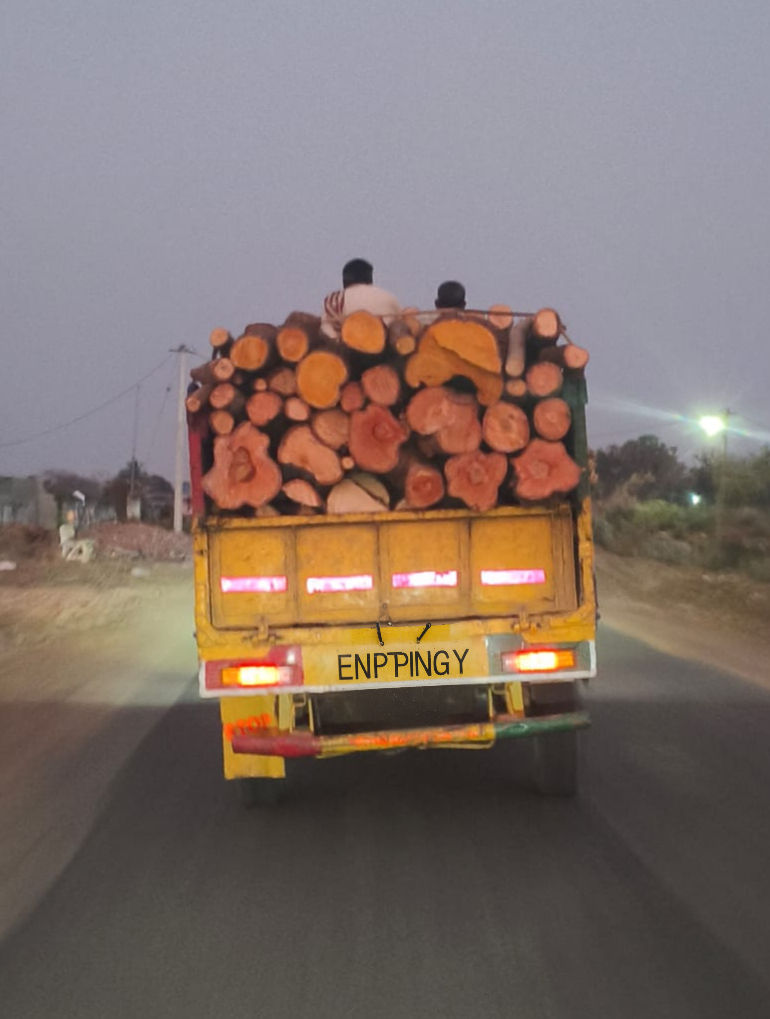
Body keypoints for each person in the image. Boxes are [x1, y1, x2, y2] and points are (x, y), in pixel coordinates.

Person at [321, 258, 401, 339]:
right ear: (370, 278)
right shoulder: (388, 297)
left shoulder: (333, 299)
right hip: (385, 346)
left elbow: (327, 331)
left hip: (343, 347)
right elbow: (401, 322)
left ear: (344, 280)